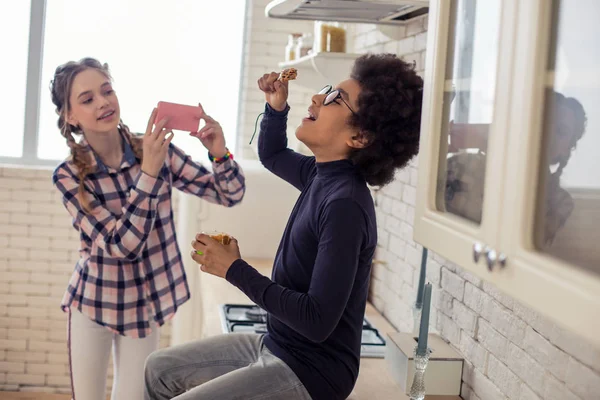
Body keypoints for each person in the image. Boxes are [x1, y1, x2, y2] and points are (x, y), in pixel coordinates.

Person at [144, 53, 424, 400]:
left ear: (361, 137)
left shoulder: (344, 206)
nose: (318, 97)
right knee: (159, 370)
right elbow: (273, 154)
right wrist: (276, 109)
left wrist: (234, 269)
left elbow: (316, 320)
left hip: (313, 372)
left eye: (337, 98)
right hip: (278, 344)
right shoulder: (322, 174)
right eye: (326, 90)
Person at [50, 57, 245, 400]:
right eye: (87, 99)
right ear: (70, 117)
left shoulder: (155, 150)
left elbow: (229, 194)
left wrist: (219, 153)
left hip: (145, 302)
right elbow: (122, 246)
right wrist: (149, 174)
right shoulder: (69, 176)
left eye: (106, 90)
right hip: (94, 301)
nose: (103, 102)